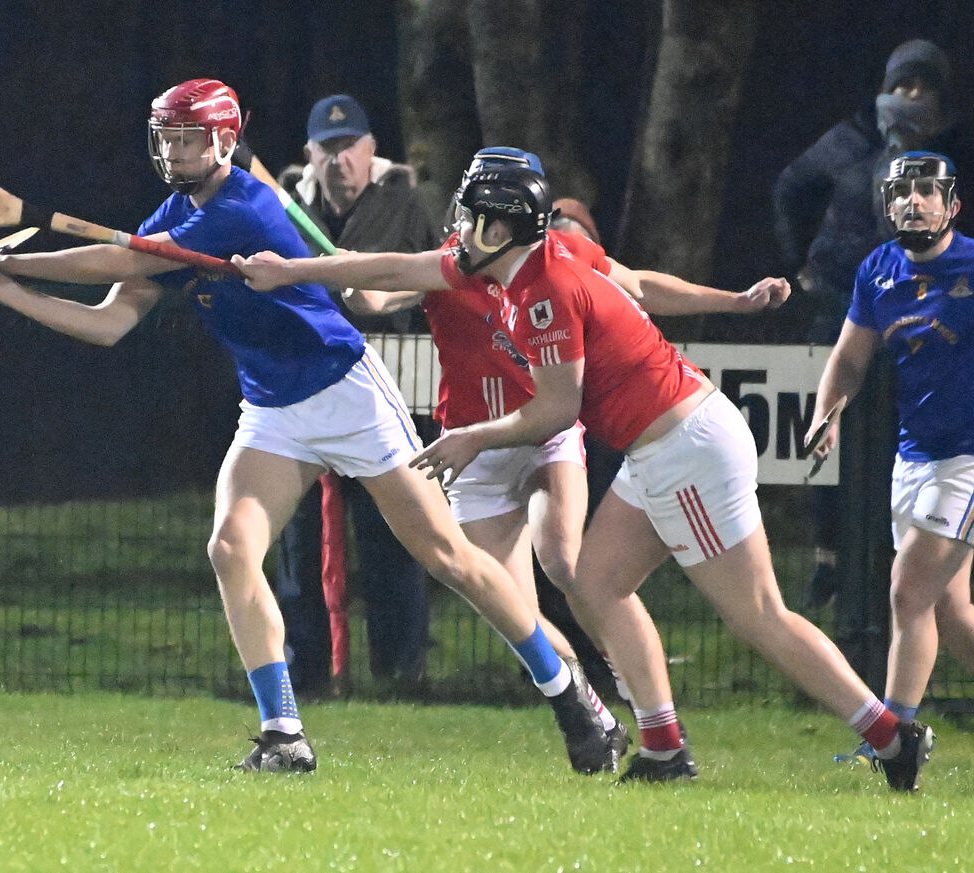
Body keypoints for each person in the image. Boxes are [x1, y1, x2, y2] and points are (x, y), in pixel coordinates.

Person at [0, 79, 613, 774]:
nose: (174, 153)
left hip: (345, 394)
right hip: (272, 409)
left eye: (188, 140)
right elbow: (109, 321)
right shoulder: (175, 215)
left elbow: (124, 260)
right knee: (230, 547)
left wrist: (12, 259)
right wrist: (9, 291)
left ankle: (574, 697)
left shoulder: (243, 205)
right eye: (167, 139)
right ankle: (283, 733)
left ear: (225, 142)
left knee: (449, 559)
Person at [235, 161, 935, 792]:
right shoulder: (517, 260)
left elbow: (556, 410)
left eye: (472, 218)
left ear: (502, 228)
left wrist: (473, 437)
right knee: (597, 582)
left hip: (684, 447)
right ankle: (663, 746)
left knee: (758, 613)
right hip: (658, 447)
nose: (459, 230)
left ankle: (890, 735)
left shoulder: (543, 292)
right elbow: (392, 270)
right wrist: (290, 271)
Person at [344, 148, 792, 717]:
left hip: (543, 432)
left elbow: (639, 286)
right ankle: (590, 711)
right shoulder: (452, 263)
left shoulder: (559, 259)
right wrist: (351, 279)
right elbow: (375, 297)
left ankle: (629, 678)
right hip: (474, 449)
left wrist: (734, 302)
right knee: (516, 616)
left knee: (564, 562)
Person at [774, 38, 970, 609]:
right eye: (901, 86)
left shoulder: (954, 157)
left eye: (923, 88)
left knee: (902, 446)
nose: (909, 98)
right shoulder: (852, 140)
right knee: (835, 440)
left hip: (929, 331)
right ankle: (833, 563)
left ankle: (887, 571)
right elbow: (792, 187)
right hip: (849, 305)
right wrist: (803, 264)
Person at [810, 151, 974, 764]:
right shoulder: (878, 269)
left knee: (906, 591)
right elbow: (849, 359)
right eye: (902, 191)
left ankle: (893, 739)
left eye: (927, 190)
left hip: (967, 460)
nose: (914, 200)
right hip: (914, 458)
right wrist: (827, 414)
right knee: (948, 612)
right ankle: (894, 737)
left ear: (952, 205)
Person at [274, 94, 439, 696]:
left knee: (394, 538)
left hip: (385, 396)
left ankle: (401, 674)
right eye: (328, 149)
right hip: (306, 396)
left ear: (371, 151)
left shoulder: (410, 207)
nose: (339, 161)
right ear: (310, 155)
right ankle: (306, 674)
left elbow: (442, 281)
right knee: (299, 543)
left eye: (350, 148)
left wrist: (385, 298)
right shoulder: (286, 212)